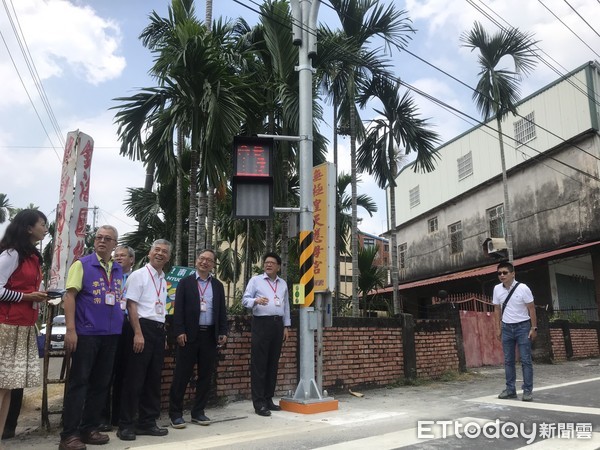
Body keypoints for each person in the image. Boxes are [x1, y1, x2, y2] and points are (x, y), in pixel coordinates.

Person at [60, 225, 124, 450]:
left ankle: (89, 428)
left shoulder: (117, 269)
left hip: (111, 336)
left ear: (115, 244)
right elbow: (70, 297)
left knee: (101, 385)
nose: (102, 241)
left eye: (108, 239)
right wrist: (70, 330)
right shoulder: (82, 264)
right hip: (86, 335)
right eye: (99, 237)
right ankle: (69, 434)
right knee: (79, 384)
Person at [0, 209, 49, 440]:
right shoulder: (12, 254)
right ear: (28, 228)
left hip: (24, 325)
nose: (45, 228)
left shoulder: (32, 256)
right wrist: (27, 297)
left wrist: (38, 295)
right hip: (7, 326)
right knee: (2, 385)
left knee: (9, 386)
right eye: (42, 224)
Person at [117, 239, 171, 441]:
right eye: (156, 250)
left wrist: (163, 334)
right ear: (149, 253)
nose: (160, 254)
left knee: (153, 379)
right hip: (141, 328)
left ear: (168, 257)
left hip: (157, 330)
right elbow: (131, 306)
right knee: (134, 379)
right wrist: (138, 333)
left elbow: (160, 309)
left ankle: (147, 422)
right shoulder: (139, 275)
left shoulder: (162, 278)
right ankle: (126, 424)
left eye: (164, 251)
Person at [169, 249, 228, 429]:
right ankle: (176, 414)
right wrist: (179, 331)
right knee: (182, 375)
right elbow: (177, 310)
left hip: (209, 336)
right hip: (188, 335)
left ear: (213, 265)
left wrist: (223, 331)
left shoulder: (217, 285)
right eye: (202, 259)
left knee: (205, 376)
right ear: (196, 261)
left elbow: (221, 312)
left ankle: (198, 412)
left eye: (209, 260)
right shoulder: (185, 283)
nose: (205, 262)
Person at [242, 252, 290, 417]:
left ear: (278, 266)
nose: (268, 265)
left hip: (278, 325)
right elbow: (245, 300)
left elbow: (286, 306)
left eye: (272, 263)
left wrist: (286, 326)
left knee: (272, 363)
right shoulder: (255, 280)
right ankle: (259, 403)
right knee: (259, 364)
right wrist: (256, 301)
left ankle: (269, 399)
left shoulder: (283, 283)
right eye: (266, 262)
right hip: (261, 324)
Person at [99, 245, 135, 431]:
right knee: (106, 373)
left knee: (124, 374)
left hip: (129, 327)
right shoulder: (109, 275)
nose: (119, 258)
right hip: (108, 327)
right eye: (116, 255)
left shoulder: (136, 278)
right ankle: (102, 417)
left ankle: (119, 417)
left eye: (123, 256)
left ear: (132, 260)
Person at [493, 261, 537, 402]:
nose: (502, 275)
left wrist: (533, 328)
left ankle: (527, 391)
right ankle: (510, 390)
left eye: (505, 272)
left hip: (523, 327)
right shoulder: (497, 289)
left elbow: (531, 308)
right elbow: (497, 309)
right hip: (506, 328)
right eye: (499, 273)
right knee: (508, 361)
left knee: (525, 360)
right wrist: (498, 328)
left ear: (513, 273)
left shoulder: (523, 288)